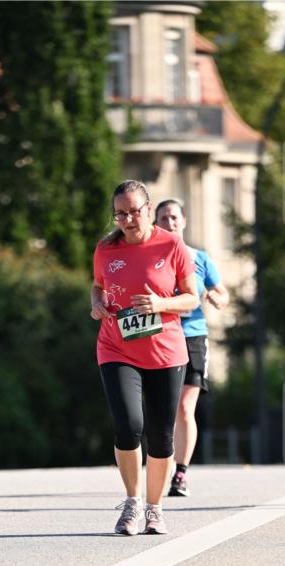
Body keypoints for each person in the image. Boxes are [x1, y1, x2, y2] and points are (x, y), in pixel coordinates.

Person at [91, 180, 199, 535]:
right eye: (120, 214)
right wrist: (95, 302)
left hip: (166, 352)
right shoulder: (106, 249)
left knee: (161, 435)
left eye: (134, 211)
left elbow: (191, 299)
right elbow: (97, 284)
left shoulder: (172, 245)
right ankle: (132, 503)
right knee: (128, 425)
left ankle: (155, 508)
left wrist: (161, 304)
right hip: (116, 347)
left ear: (148, 210)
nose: (127, 219)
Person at [154, 198, 230, 497]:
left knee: (186, 407)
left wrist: (217, 299)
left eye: (174, 217)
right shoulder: (151, 258)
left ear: (183, 221)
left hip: (193, 335)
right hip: (160, 335)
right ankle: (162, 465)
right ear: (155, 223)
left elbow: (222, 292)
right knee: (164, 408)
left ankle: (181, 473)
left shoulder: (199, 257)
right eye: (163, 218)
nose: (170, 223)